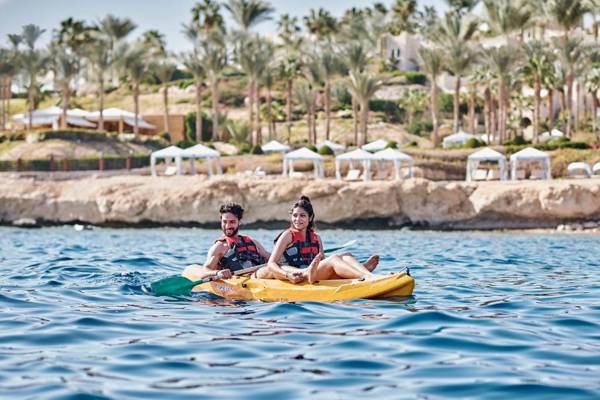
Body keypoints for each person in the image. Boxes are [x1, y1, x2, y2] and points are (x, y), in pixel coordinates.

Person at [265, 195, 379, 284]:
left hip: (315, 273)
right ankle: (365, 276)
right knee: (334, 258)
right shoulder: (287, 235)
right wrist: (286, 275)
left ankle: (364, 273)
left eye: (302, 216)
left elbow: (323, 262)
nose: (297, 219)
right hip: (299, 274)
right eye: (295, 215)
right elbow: (271, 263)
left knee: (346, 255)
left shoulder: (316, 238)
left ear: (310, 218)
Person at [183, 202, 271, 281]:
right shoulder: (219, 247)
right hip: (242, 283)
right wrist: (217, 273)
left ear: (239, 222)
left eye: (232, 222)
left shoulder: (253, 242)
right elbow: (205, 271)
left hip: (261, 279)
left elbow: (271, 259)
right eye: (225, 222)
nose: (227, 226)